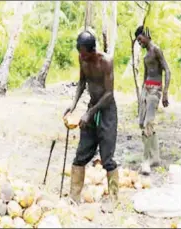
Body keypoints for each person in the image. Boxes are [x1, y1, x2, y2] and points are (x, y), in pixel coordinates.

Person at [63, 31, 118, 212]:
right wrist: (73, 106)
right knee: (81, 152)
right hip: (92, 107)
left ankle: (114, 199)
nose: (81, 56)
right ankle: (74, 196)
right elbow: (81, 83)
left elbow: (109, 93)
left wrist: (91, 113)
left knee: (107, 156)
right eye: (79, 52)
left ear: (93, 50)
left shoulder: (106, 61)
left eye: (84, 53)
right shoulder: (82, 59)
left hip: (107, 110)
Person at [135, 26, 171, 175]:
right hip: (146, 90)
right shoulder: (144, 57)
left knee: (148, 124)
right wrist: (141, 95)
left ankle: (146, 161)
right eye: (137, 41)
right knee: (142, 123)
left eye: (140, 39)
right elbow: (145, 76)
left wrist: (165, 92)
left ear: (146, 35)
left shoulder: (156, 50)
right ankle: (155, 157)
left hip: (155, 91)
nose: (139, 42)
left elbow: (167, 70)